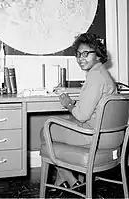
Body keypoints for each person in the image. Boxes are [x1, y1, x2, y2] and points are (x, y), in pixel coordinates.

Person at [40, 32, 117, 194]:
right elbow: (92, 107)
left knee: (45, 131)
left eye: (85, 53)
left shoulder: (95, 77)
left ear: (97, 54)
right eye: (78, 54)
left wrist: (67, 102)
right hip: (109, 136)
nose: (80, 58)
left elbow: (81, 116)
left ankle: (71, 180)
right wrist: (75, 105)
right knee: (64, 123)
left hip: (92, 135)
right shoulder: (102, 74)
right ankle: (62, 179)